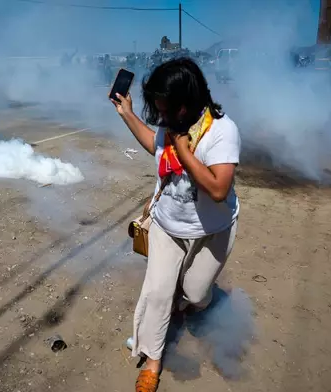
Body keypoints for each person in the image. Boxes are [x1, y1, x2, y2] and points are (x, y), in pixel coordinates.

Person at [110, 58, 241, 392]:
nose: (162, 118)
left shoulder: (222, 131)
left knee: (196, 294)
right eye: (159, 110)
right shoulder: (170, 127)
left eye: (167, 111)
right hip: (168, 224)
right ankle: (153, 360)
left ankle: (191, 301)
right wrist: (127, 113)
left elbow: (217, 189)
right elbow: (154, 144)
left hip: (212, 229)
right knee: (157, 292)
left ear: (188, 103)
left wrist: (184, 154)